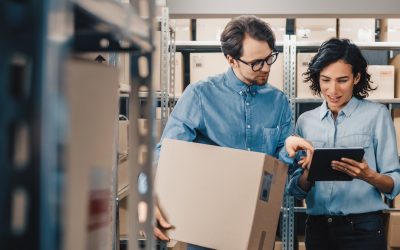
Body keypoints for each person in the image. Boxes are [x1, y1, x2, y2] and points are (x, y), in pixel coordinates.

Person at [152, 15, 313, 249]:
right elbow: (165, 155)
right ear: (231, 59)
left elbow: (278, 168)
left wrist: (288, 150)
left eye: (270, 58)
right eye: (257, 62)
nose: (266, 67)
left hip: (257, 223)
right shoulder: (199, 95)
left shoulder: (278, 102)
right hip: (207, 227)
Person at [287, 38, 400, 250]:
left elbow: (395, 182)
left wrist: (369, 175)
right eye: (325, 80)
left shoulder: (377, 115)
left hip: (363, 229)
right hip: (318, 229)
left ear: (356, 77)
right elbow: (295, 190)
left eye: (342, 80)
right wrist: (308, 173)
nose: (333, 89)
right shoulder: (305, 121)